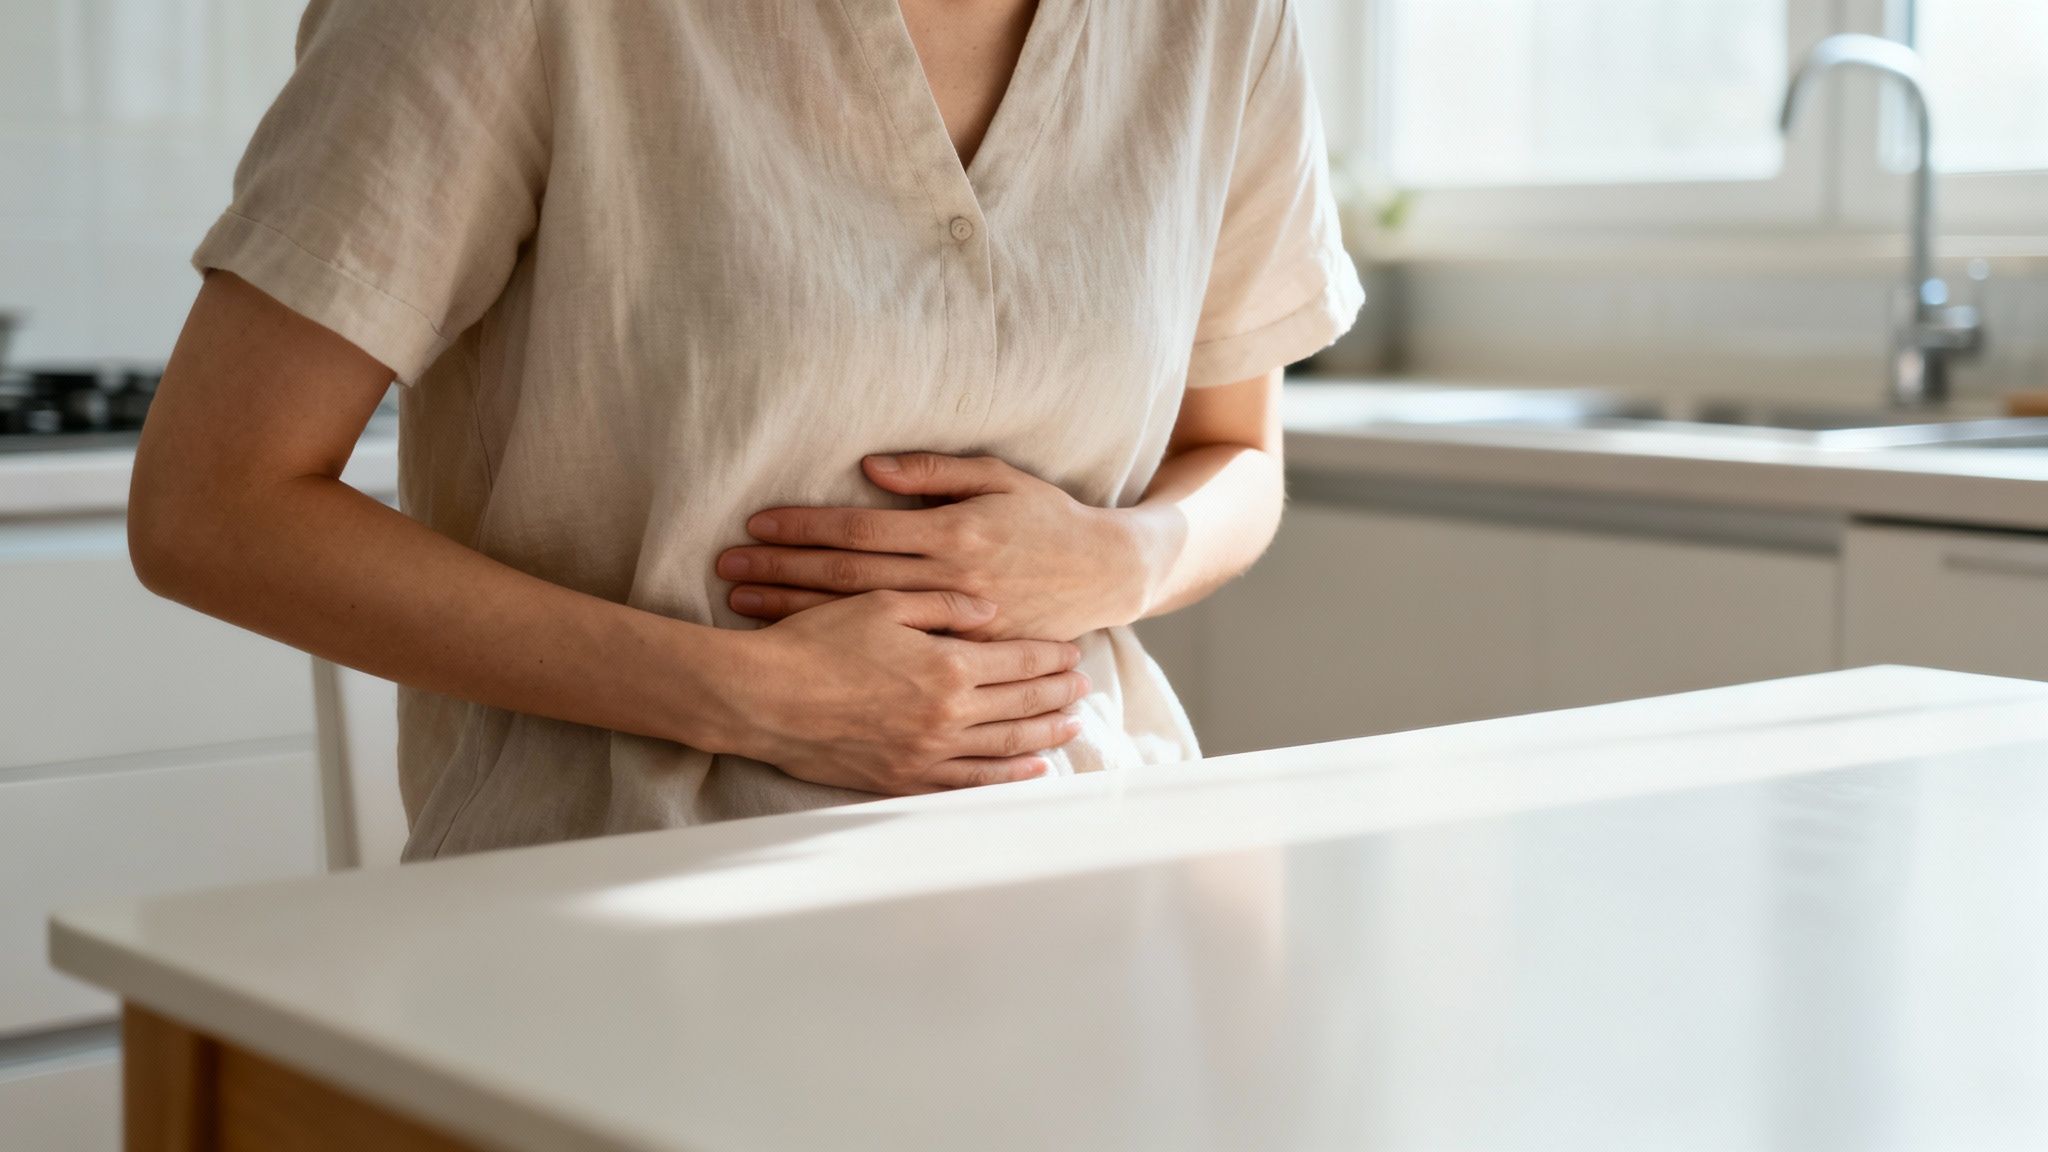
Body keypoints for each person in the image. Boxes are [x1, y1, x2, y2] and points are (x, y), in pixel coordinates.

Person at [128, 0, 1363, 859]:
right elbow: (210, 505)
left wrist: (1122, 559)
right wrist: (751, 700)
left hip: (1092, 857)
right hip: (610, 898)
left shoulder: (1221, 23)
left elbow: (1240, 454)